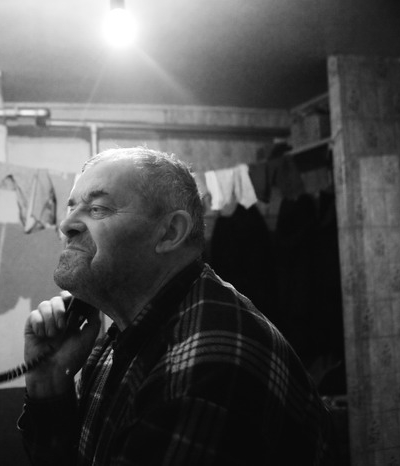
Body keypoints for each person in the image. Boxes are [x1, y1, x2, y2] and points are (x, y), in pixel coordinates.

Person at [17, 147, 333, 465]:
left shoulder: (207, 368)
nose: (66, 224)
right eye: (72, 207)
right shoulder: (120, 339)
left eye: (97, 209)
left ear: (170, 232)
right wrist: (49, 382)